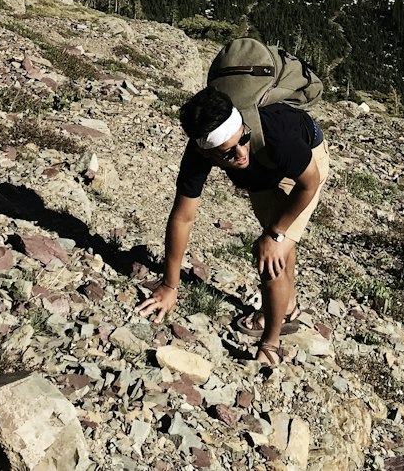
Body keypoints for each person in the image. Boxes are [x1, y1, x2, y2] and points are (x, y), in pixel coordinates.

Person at [135, 84, 330, 369]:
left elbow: (309, 183)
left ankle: (271, 343)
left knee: (271, 252)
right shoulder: (198, 154)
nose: (240, 155)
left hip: (305, 166)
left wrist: (276, 233)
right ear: (207, 152)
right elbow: (182, 217)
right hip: (262, 176)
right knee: (278, 244)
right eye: (227, 154)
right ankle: (287, 306)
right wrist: (169, 285)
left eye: (243, 140)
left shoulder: (276, 135)